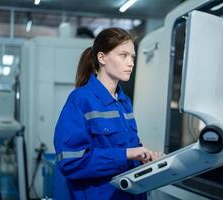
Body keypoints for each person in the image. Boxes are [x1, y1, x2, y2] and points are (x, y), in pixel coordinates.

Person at [54, 27, 162, 200]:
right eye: (123, 55)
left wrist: (144, 157)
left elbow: (130, 148)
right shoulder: (81, 100)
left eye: (132, 57)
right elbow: (70, 162)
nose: (131, 63)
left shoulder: (124, 101)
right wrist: (127, 154)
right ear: (102, 57)